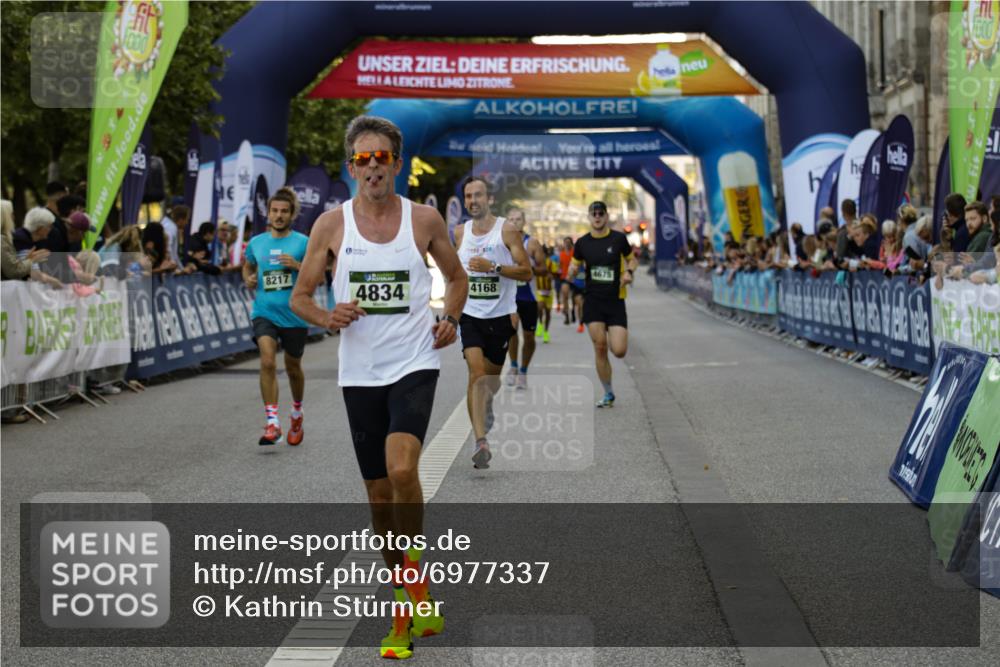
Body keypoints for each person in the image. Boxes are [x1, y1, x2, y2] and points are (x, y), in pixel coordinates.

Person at [290, 115, 467, 660]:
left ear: (397, 162)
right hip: (359, 373)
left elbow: (456, 278)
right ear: (352, 168)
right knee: (378, 497)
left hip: (414, 362)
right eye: (362, 160)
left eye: (381, 158)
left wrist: (451, 318)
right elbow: (299, 297)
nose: (372, 168)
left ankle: (412, 589)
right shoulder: (330, 225)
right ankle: (407, 591)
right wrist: (327, 316)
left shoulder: (424, 219)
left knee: (402, 470)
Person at [454, 176, 532, 468]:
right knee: (475, 374)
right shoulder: (459, 233)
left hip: (500, 317)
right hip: (470, 315)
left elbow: (527, 273)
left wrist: (494, 267)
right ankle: (480, 442)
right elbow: (455, 273)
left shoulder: (507, 231)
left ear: (490, 199)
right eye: (468, 196)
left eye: (478, 195)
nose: (473, 201)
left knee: (491, 382)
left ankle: (486, 406)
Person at [242, 188, 309, 447]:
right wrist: (247, 278)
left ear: (292, 214)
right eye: (274, 211)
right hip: (264, 311)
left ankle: (296, 412)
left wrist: (298, 266)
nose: (278, 216)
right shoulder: (257, 242)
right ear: (268, 213)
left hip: (294, 314)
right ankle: (273, 422)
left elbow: (319, 272)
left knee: (293, 368)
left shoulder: (303, 242)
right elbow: (248, 264)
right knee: (267, 361)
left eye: (284, 211)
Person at [568, 200, 637, 408]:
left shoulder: (618, 239)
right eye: (593, 213)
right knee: (600, 347)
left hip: (615, 301)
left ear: (606, 217)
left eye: (600, 213)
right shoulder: (582, 243)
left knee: (619, 350)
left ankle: (608, 388)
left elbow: (632, 259)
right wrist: (571, 272)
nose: (597, 217)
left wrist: (629, 271)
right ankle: (608, 393)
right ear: (589, 218)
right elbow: (574, 265)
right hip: (593, 301)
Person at [504, 206, 547, 389]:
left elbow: (544, 269)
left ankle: (523, 370)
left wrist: (527, 270)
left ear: (524, 222)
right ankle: (513, 366)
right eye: (511, 219)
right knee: (511, 332)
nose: (514, 222)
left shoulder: (532, 243)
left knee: (529, 337)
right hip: (508, 297)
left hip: (528, 296)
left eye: (518, 219)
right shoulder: (502, 243)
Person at [2, 201, 51, 281]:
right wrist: (31, 260)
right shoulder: (18, 238)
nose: (14, 217)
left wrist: (28, 259)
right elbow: (14, 271)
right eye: (11, 214)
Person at [535, 245, 557, 343]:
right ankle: (539, 323)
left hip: (549, 291)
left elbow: (555, 274)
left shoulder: (551, 263)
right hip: (539, 290)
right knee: (540, 307)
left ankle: (546, 332)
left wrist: (551, 276)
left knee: (548, 313)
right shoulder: (536, 263)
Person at [558, 236, 574, 324]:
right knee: (565, 295)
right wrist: (558, 270)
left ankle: (573, 312)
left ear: (571, 243)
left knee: (574, 298)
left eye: (568, 242)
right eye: (565, 242)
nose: (567, 244)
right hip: (564, 278)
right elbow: (560, 265)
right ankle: (567, 315)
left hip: (574, 278)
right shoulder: (561, 254)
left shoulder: (575, 253)